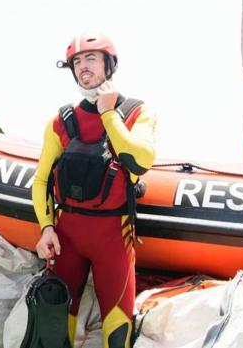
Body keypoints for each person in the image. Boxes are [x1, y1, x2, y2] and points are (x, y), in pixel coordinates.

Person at [31, 32, 156, 348]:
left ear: (108, 65)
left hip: (114, 236)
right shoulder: (60, 121)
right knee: (57, 327)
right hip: (68, 235)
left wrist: (108, 114)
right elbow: (42, 180)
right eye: (77, 61)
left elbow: (140, 161)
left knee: (117, 331)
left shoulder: (137, 113)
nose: (83, 66)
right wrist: (46, 227)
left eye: (91, 59)